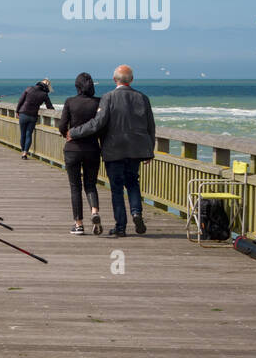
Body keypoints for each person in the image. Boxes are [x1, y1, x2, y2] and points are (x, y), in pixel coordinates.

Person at [68, 64, 156, 237]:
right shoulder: (142, 98)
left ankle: (121, 227)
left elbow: (97, 123)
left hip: (114, 149)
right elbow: (150, 126)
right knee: (132, 183)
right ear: (131, 80)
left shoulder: (108, 97)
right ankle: (136, 213)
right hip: (136, 150)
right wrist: (149, 150)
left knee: (116, 189)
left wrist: (74, 132)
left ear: (115, 79)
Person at [57, 73, 102, 235]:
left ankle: (78, 225)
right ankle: (94, 212)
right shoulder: (99, 102)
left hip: (73, 149)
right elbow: (102, 125)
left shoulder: (70, 102)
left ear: (77, 86)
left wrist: (67, 134)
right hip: (92, 149)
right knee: (90, 185)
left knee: (75, 187)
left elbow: (62, 125)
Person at [15, 79, 53, 159]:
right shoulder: (44, 94)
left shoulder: (29, 88)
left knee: (23, 134)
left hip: (23, 114)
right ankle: (25, 153)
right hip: (33, 116)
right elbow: (49, 106)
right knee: (29, 134)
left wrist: (17, 111)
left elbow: (20, 101)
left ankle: (22, 152)